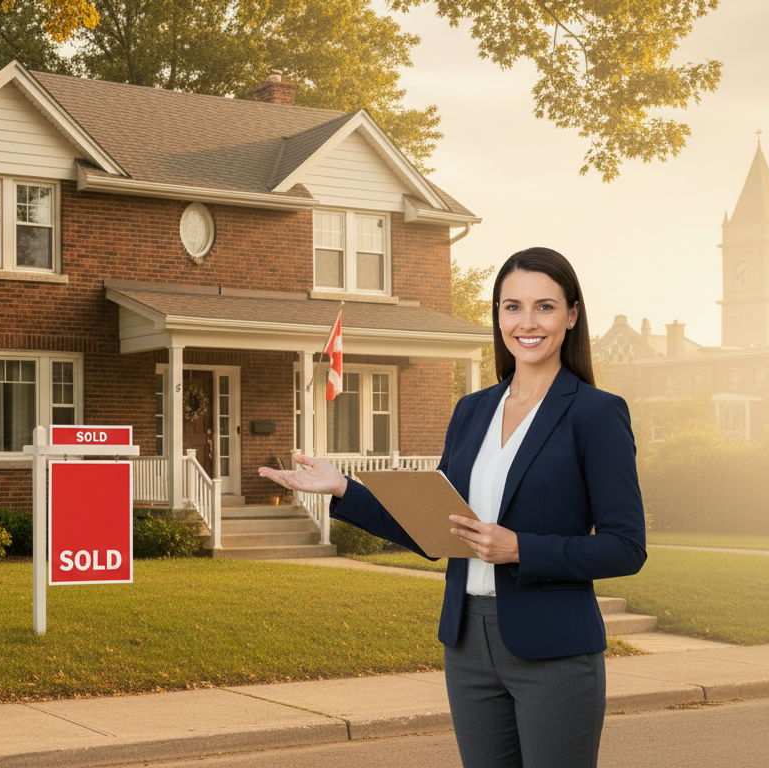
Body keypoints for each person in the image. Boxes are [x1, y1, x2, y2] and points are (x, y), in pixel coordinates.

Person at [259, 247, 647, 768]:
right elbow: (436, 528)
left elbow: (626, 548)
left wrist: (519, 549)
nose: (526, 323)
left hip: (554, 649)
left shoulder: (597, 414)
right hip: (467, 645)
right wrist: (344, 489)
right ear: (498, 317)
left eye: (544, 307)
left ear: (572, 315)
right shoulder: (471, 411)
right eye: (512, 307)